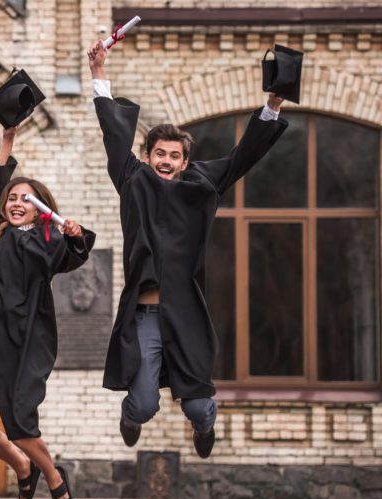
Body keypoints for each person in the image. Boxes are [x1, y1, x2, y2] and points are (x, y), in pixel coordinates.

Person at [87, 40, 288, 458]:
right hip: (144, 315)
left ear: (184, 162)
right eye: (158, 153)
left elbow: (241, 157)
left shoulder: (201, 186)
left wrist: (272, 106)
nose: (165, 160)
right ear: (147, 156)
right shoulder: (133, 181)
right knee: (143, 403)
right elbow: (112, 135)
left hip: (186, 312)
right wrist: (99, 74)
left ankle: (204, 425)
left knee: (197, 403)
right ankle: (130, 416)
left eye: (173, 156)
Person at [0, 125, 95, 499]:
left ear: (39, 209)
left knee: (20, 424)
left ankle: (54, 477)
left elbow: (75, 253)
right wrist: (7, 141)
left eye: (26, 198)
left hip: (28, 342)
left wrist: (73, 235)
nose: (17, 201)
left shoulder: (46, 240)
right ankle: (23, 466)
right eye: (12, 198)